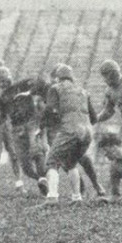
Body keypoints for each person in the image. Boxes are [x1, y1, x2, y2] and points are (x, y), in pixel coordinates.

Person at [40, 63, 97, 204]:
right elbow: (94, 118)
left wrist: (42, 125)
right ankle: (77, 197)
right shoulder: (83, 91)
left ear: (58, 78)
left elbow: (49, 110)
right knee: (71, 163)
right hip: (87, 132)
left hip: (70, 129)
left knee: (51, 162)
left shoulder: (55, 88)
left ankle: (52, 197)